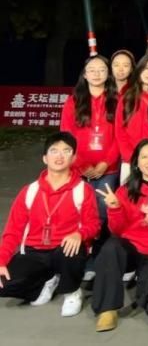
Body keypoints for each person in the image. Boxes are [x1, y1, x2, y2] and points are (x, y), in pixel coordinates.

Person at [0, 132, 100, 317]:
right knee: (3, 283)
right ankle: (47, 280)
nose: (60, 156)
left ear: (74, 158)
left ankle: (72, 292)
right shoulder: (29, 191)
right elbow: (13, 231)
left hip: (65, 249)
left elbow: (93, 224)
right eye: (54, 151)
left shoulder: (82, 189)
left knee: (71, 250)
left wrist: (80, 234)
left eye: (66, 151)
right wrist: (1, 260)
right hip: (34, 251)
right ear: (45, 158)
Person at [91, 138, 148, 332]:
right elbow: (117, 231)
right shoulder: (125, 190)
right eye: (144, 157)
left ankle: (144, 285)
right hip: (130, 248)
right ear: (136, 162)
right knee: (111, 247)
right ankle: (107, 310)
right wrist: (114, 208)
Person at [59, 56, 120, 240]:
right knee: (79, 205)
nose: (96, 74)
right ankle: (79, 243)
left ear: (108, 74)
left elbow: (121, 135)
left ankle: (96, 244)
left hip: (108, 168)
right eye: (91, 70)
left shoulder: (117, 100)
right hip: (79, 167)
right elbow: (66, 136)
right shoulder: (73, 101)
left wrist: (106, 163)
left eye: (101, 69)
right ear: (84, 75)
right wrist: (81, 164)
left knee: (102, 205)